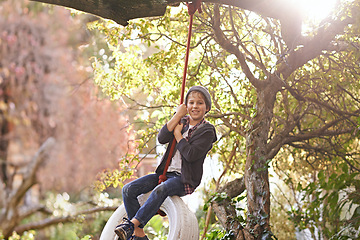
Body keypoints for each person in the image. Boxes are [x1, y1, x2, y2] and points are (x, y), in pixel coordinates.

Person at [114, 86, 217, 240]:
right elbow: (162, 138)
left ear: (207, 107)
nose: (195, 106)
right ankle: (139, 234)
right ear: (186, 106)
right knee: (128, 190)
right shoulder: (181, 122)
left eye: (200, 103)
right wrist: (177, 116)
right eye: (191, 102)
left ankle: (131, 225)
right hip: (165, 174)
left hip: (183, 179)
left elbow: (190, 155)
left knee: (162, 189)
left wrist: (178, 136)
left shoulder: (207, 131)